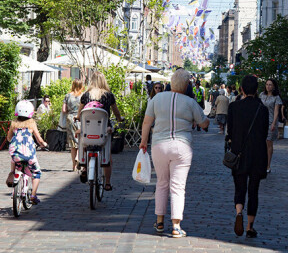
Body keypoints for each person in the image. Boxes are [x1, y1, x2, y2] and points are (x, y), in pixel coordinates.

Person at [139, 69, 209, 238]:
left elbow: (147, 121)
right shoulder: (190, 102)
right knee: (178, 186)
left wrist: (143, 141)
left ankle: (160, 221)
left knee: (162, 183)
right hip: (181, 145)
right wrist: (201, 121)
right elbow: (204, 123)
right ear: (186, 86)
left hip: (159, 145)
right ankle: (176, 226)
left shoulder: (157, 98)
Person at [226, 75, 269, 238]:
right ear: (256, 90)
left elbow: (230, 131)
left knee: (239, 186)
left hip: (239, 153)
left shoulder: (234, 107)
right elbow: (265, 133)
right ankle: (250, 226)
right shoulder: (262, 109)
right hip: (257, 153)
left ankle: (238, 212)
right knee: (254, 190)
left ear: (242, 89)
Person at [78, 71, 123, 191]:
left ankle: (84, 166)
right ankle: (107, 183)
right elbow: (116, 112)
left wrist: (77, 117)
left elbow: (80, 113)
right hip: (103, 131)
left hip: (88, 131)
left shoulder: (85, 95)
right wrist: (119, 119)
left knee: (83, 139)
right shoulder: (109, 96)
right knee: (107, 156)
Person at [7, 100, 48, 205]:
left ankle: (13, 173)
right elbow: (38, 139)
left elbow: (8, 138)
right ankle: (33, 195)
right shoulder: (31, 123)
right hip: (28, 155)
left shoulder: (14, 123)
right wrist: (44, 144)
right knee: (36, 173)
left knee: (14, 159)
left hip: (15, 154)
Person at [59, 79, 84, 172]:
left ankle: (73, 165)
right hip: (81, 118)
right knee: (81, 139)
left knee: (73, 142)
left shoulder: (67, 96)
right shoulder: (84, 96)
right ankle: (78, 156)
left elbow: (64, 110)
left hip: (70, 119)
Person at [259, 79, 282, 174]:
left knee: (269, 143)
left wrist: (274, 123)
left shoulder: (276, 97)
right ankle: (261, 163)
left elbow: (277, 111)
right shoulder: (261, 95)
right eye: (267, 84)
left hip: (271, 122)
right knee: (261, 143)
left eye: (270, 85)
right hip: (261, 122)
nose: (268, 86)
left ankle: (268, 165)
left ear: (273, 86)